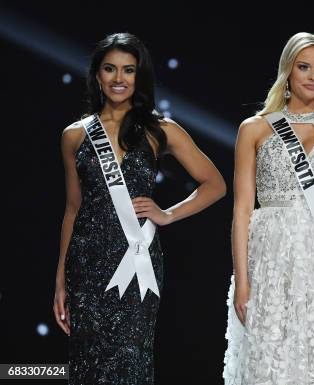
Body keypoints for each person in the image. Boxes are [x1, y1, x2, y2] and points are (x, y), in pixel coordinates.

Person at [53, 32, 226, 384]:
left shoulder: (160, 129)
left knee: (132, 359)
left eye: (128, 70)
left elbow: (215, 184)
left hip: (136, 259)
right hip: (86, 263)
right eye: (110, 69)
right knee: (87, 361)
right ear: (97, 75)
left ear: (139, 76)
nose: (119, 79)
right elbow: (72, 209)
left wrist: (168, 214)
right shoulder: (75, 135)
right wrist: (60, 280)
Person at [223, 32, 314, 384]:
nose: (312, 76)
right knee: (271, 355)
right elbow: (242, 210)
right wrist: (242, 283)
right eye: (303, 67)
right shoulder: (255, 129)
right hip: (271, 258)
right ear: (287, 71)